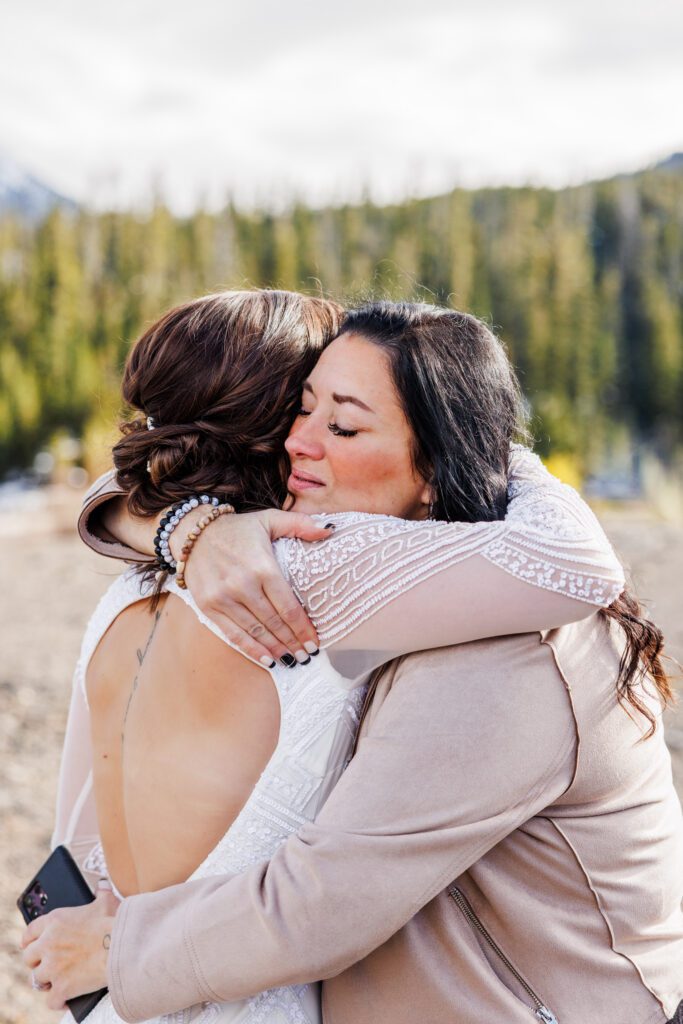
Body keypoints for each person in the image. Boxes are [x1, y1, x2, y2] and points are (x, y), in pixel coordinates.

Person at [22, 300, 682, 1022]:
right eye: (295, 413)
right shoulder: (375, 575)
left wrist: (119, 949)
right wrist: (192, 527)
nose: (296, 445)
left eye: (341, 425)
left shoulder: (507, 645)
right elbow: (121, 497)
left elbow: (328, 897)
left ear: (436, 465)